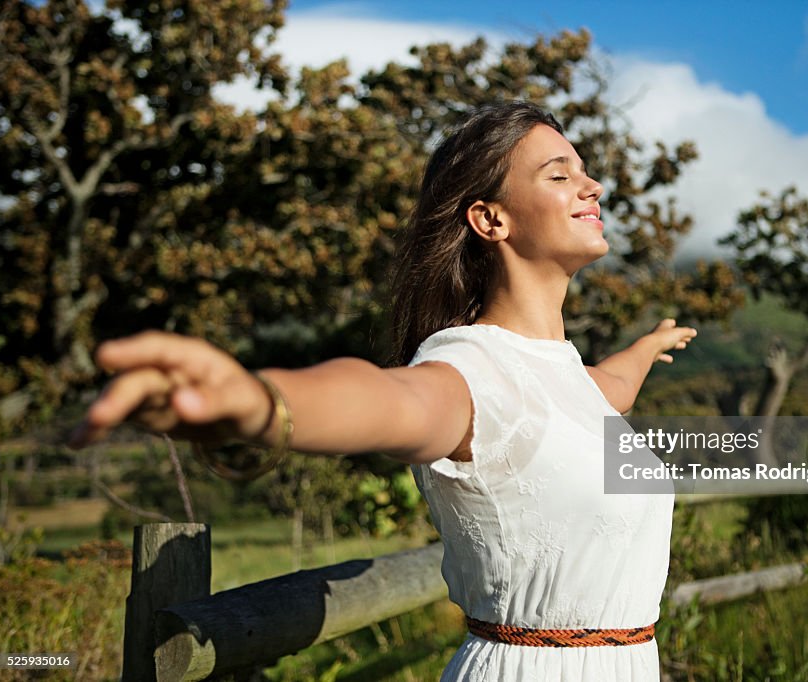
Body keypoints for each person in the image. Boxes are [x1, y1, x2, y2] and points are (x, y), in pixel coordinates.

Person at [70, 101, 697, 680]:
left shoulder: (565, 376)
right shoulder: (471, 367)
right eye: (560, 175)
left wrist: (645, 350)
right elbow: (390, 402)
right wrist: (265, 403)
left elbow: (610, 387)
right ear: (490, 218)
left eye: (585, 172)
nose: (592, 187)